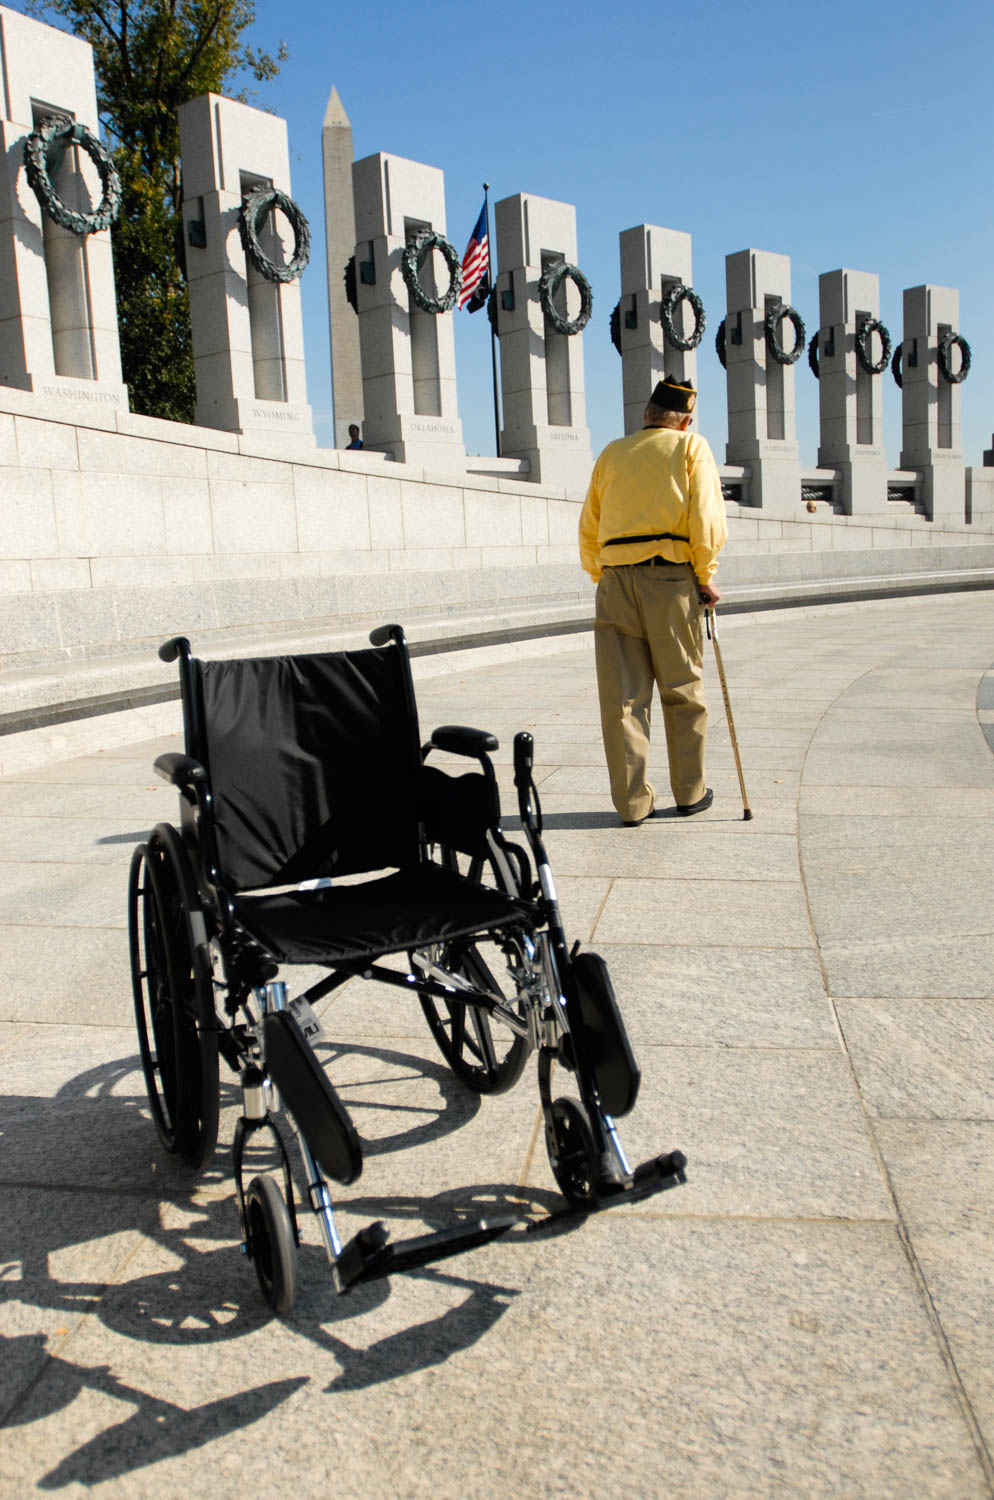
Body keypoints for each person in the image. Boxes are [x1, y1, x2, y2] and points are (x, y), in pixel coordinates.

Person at [578, 377, 727, 826]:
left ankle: (631, 804)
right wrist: (706, 576)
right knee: (682, 689)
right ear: (684, 420)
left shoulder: (611, 453)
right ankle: (690, 792)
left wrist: (601, 575)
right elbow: (705, 517)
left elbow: (589, 525)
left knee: (622, 697)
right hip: (670, 577)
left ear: (646, 415)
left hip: (615, 580)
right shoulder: (691, 447)